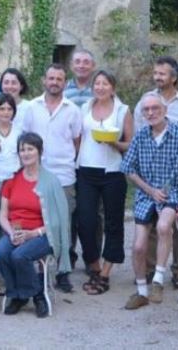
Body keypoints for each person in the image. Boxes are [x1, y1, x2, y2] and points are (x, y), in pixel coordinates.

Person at [121, 94, 178, 310]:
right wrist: (149, 190)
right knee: (138, 247)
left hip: (173, 192)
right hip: (146, 194)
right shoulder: (140, 136)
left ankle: (158, 280)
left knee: (164, 225)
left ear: (165, 110)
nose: (150, 113)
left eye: (155, 108)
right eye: (146, 109)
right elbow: (128, 169)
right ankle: (141, 292)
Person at [133, 56, 178, 289]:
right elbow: (140, 138)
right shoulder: (145, 100)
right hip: (151, 175)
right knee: (151, 224)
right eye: (156, 72)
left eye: (162, 73)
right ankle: (149, 268)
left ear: (174, 77)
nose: (157, 77)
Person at [0, 132, 71, 318]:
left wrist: (33, 233)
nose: (26, 153)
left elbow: (58, 222)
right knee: (1, 253)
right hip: (16, 230)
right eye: (22, 149)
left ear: (39, 152)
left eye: (30, 149)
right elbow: (2, 215)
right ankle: (18, 295)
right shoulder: (11, 180)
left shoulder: (50, 182)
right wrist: (11, 232)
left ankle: (37, 295)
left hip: (42, 234)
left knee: (20, 256)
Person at [20, 64, 82, 292]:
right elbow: (25, 138)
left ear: (65, 83)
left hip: (64, 176)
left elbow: (77, 141)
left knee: (62, 225)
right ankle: (39, 269)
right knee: (39, 222)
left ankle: (63, 272)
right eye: (51, 78)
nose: (55, 82)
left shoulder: (73, 110)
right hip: (36, 175)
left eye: (59, 78)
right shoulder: (31, 108)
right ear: (43, 80)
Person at [76, 70, 133, 295]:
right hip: (86, 169)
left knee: (113, 222)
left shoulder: (122, 110)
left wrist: (114, 144)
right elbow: (79, 137)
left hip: (113, 172)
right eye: (97, 83)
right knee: (85, 220)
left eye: (105, 83)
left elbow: (131, 143)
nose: (100, 87)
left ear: (113, 88)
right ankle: (94, 264)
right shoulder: (84, 108)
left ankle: (106, 272)